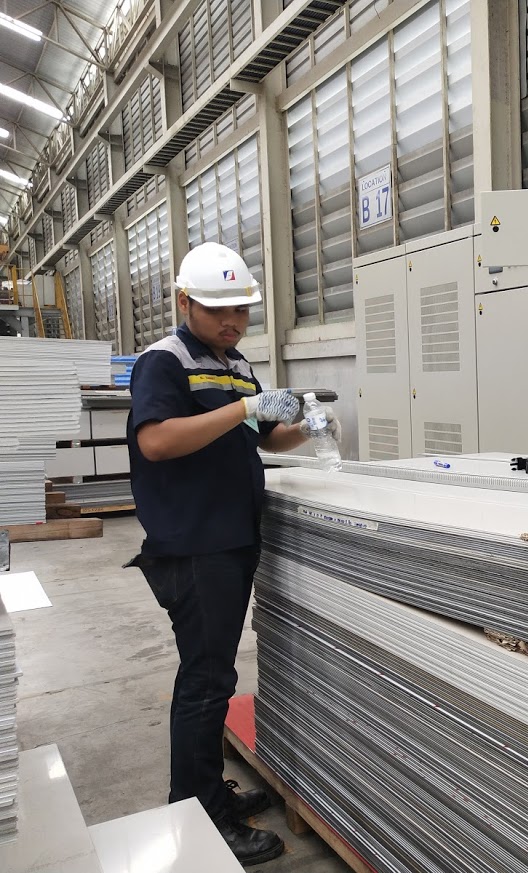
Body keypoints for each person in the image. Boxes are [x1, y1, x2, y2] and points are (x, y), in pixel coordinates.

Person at [124, 242, 341, 866]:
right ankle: (199, 813)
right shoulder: (164, 363)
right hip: (195, 543)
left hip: (232, 537)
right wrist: (244, 407)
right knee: (206, 680)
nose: (233, 322)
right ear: (184, 302)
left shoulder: (236, 363)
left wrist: (308, 428)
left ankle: (206, 792)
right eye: (218, 309)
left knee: (214, 674)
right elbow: (157, 441)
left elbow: (263, 437)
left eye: (241, 310)